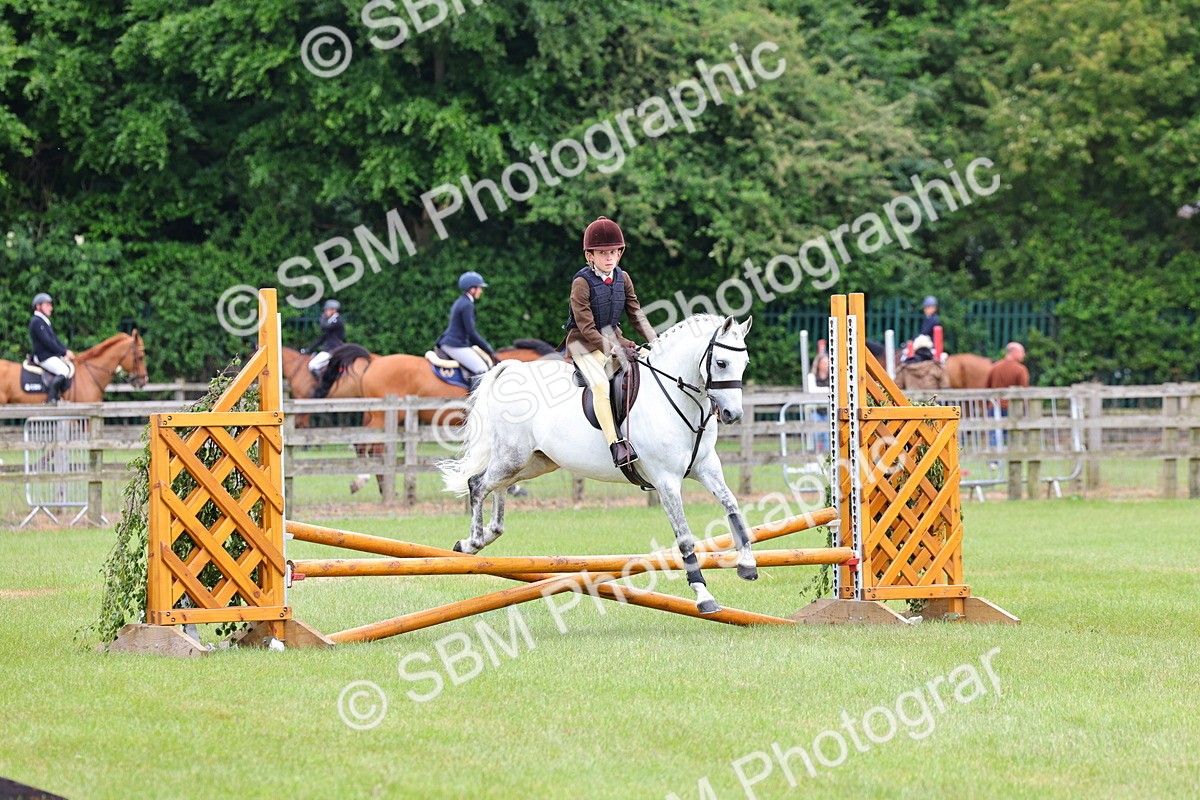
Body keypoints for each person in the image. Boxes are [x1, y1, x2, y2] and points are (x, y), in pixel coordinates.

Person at [564, 216, 657, 469]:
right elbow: (586, 327)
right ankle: (615, 444)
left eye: (614, 252)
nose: (609, 257)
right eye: (602, 252)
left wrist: (656, 341)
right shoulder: (581, 283)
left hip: (613, 339)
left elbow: (636, 314)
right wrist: (612, 347)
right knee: (601, 385)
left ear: (620, 253)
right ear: (590, 255)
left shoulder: (623, 278)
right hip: (583, 343)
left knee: (644, 368)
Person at [437, 271, 497, 383]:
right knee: (482, 369)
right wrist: (486, 346)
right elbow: (470, 331)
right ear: (472, 289)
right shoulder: (467, 305)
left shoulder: (462, 301)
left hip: (453, 343)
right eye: (479, 288)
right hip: (455, 345)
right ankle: (475, 399)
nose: (481, 291)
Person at [29, 292, 75, 404]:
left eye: (51, 305)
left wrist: (66, 351)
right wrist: (63, 352)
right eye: (47, 305)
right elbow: (47, 342)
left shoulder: (44, 321)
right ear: (38, 306)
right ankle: (51, 398)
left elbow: (55, 340)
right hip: (44, 357)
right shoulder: (36, 321)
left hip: (50, 355)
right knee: (64, 370)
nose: (51, 308)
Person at [986, 342, 1029, 447]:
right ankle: (1013, 460)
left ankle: (993, 461)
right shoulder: (1020, 370)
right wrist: (1025, 409)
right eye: (1022, 352)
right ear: (1014, 352)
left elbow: (987, 387)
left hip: (994, 406)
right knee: (1013, 435)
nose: (1023, 355)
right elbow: (1023, 392)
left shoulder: (994, 367)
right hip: (1011, 407)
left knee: (994, 434)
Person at [306, 299, 346, 377]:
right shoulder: (331, 320)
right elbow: (322, 338)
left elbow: (325, 327)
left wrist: (322, 319)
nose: (325, 312)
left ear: (334, 310)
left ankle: (323, 384)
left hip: (332, 350)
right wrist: (309, 349)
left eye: (327, 310)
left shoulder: (337, 320)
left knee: (312, 365)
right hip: (330, 349)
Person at [806, 353, 830, 452]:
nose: (826, 365)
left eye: (828, 362)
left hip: (829, 410)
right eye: (824, 362)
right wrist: (827, 390)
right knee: (816, 435)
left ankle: (827, 458)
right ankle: (815, 458)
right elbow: (813, 390)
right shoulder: (812, 376)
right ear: (819, 364)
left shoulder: (832, 376)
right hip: (816, 410)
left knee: (828, 436)